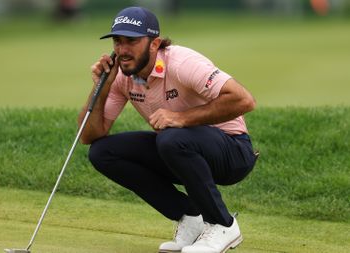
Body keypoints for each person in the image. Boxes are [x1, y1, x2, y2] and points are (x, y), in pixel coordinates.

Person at [78, 6, 258, 253]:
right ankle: (190, 217)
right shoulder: (121, 75)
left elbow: (244, 100)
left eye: (131, 41)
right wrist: (102, 88)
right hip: (180, 150)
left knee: (171, 139)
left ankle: (222, 224)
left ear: (155, 44)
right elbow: (89, 136)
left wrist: (181, 118)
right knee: (103, 152)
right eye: (118, 42)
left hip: (233, 151)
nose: (122, 50)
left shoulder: (183, 63)